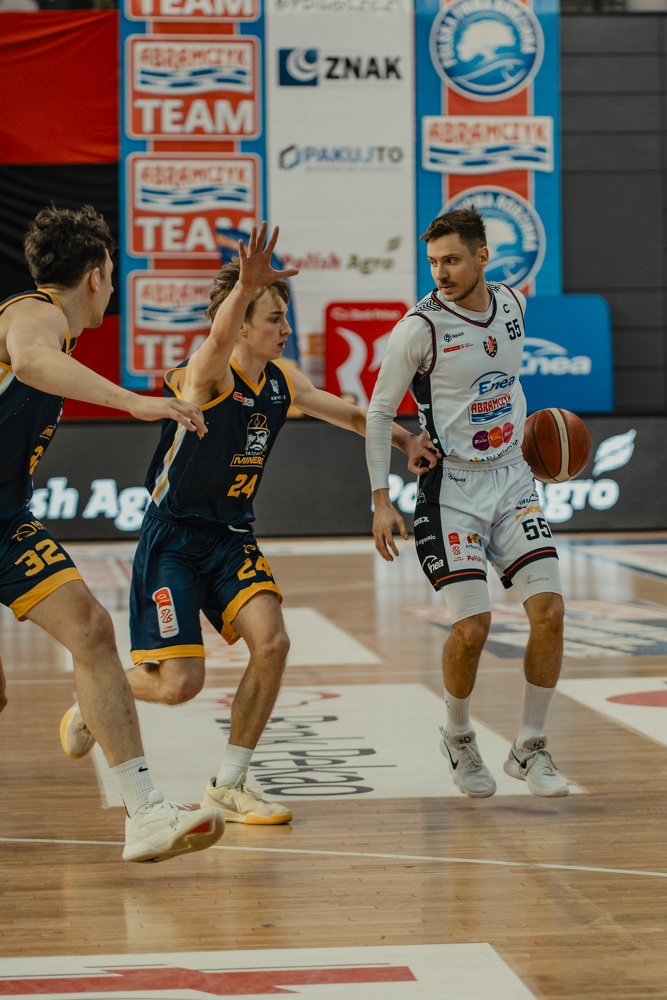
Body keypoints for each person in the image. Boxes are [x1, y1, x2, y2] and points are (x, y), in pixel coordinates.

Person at [61, 222, 439, 824]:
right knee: (180, 684)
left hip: (232, 535)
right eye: (274, 319)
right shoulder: (207, 372)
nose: (286, 330)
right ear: (241, 325)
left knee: (275, 642)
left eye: (284, 319)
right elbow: (215, 338)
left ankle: (230, 784)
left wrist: (405, 440)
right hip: (173, 540)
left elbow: (349, 414)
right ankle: (95, 700)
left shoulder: (283, 380)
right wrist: (243, 287)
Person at [1, 204, 225, 862]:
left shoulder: (53, 330)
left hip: (6, 520)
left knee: (92, 629)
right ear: (96, 276)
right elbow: (31, 361)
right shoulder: (36, 312)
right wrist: (135, 400)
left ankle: (147, 814)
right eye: (111, 275)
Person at [365, 206, 569, 799]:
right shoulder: (419, 329)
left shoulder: (513, 304)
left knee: (550, 611)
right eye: (433, 262)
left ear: (483, 256)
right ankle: (457, 736)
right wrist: (381, 499)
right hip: (450, 490)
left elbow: (507, 384)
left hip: (513, 480)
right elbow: (378, 413)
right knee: (474, 627)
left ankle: (530, 747)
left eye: (452, 260)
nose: (441, 272)